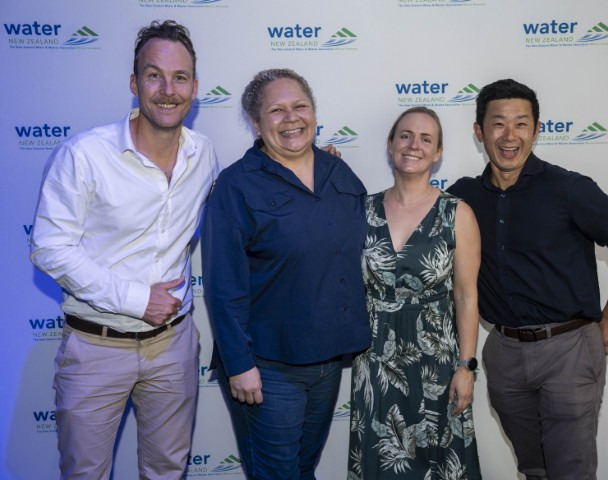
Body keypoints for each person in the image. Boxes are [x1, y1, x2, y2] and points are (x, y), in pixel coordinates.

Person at [29, 20, 220, 479]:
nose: (168, 90)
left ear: (195, 88)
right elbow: (49, 248)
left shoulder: (204, 154)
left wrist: (308, 161)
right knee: (85, 474)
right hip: (95, 347)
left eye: (179, 78)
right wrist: (137, 299)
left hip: (173, 346)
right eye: (154, 75)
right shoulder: (84, 155)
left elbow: (246, 201)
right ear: (135, 84)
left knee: (167, 471)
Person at [447, 79, 608, 480]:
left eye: (521, 124)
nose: (510, 136)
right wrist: (326, 164)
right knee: (534, 470)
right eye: (498, 124)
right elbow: (409, 211)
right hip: (504, 352)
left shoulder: (569, 188)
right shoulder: (463, 197)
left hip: (569, 349)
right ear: (479, 132)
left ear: (536, 130)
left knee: (570, 472)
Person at [201, 68, 371, 479]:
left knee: (302, 469)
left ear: (314, 113)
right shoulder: (236, 186)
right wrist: (239, 365)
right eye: (276, 110)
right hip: (267, 366)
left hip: (327, 359)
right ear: (256, 123)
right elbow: (224, 286)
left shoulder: (338, 172)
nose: (291, 118)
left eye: (300, 106)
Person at [348, 107, 482, 479]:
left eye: (426, 139)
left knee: (436, 461)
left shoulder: (457, 214)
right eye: (405, 136)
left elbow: (466, 296)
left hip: (436, 361)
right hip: (375, 358)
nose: (413, 145)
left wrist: (466, 367)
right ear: (391, 144)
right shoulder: (361, 210)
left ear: (438, 153)